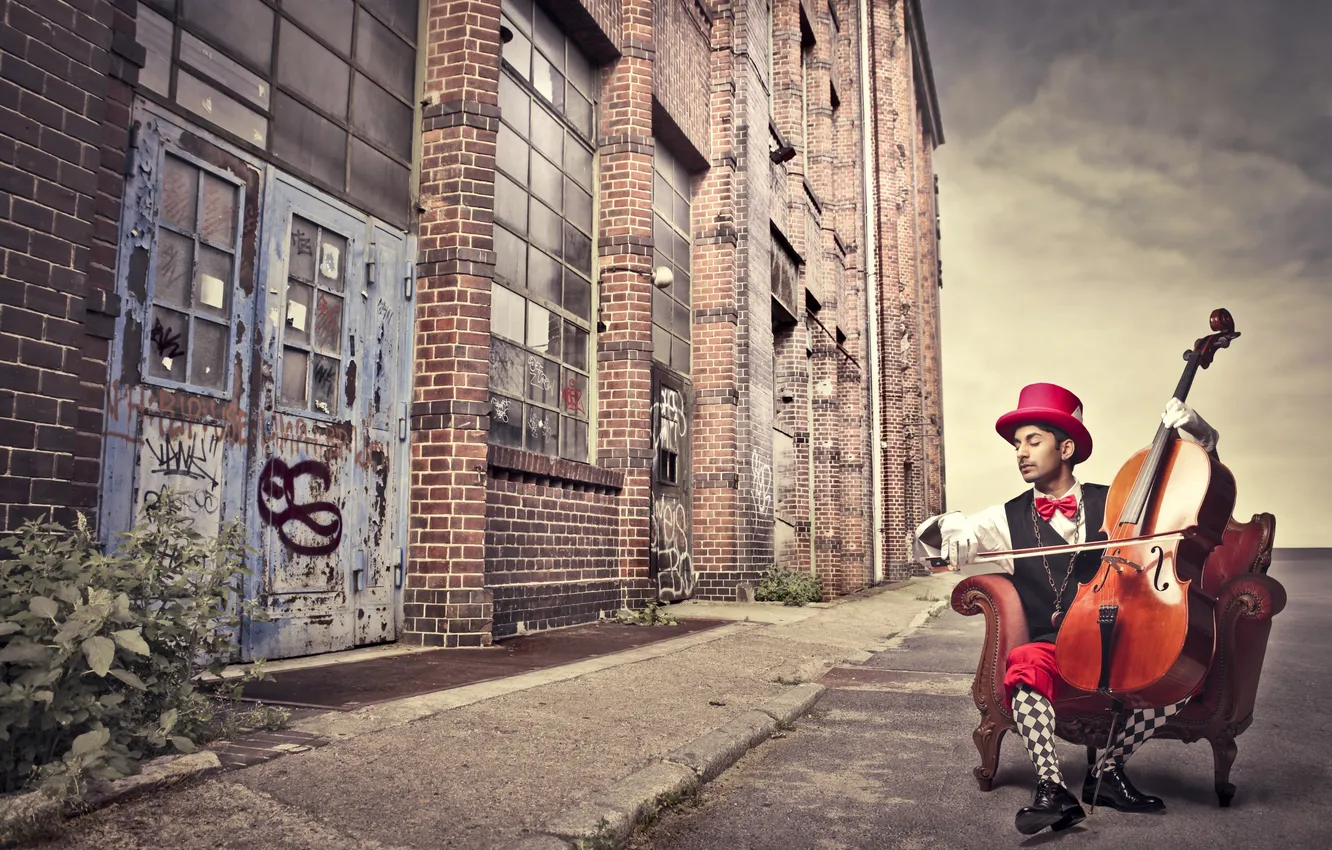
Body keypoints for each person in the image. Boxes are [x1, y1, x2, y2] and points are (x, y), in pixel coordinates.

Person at [913, 382, 1222, 836]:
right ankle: (1052, 789)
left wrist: (1205, 438)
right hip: (1056, 648)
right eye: (1017, 444)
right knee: (1023, 666)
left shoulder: (1120, 497)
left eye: (1032, 440)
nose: (1021, 452)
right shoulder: (1004, 519)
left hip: (1126, 638)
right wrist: (951, 522)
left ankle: (1109, 773)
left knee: (1184, 672)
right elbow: (932, 538)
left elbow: (1188, 485)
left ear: (1067, 447)